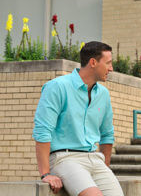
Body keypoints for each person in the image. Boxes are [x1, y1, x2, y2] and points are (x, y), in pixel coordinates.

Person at [33, 41, 124, 196]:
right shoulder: (57, 87)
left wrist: (105, 166)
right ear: (93, 62)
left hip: (95, 159)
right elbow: (43, 130)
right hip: (64, 158)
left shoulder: (103, 94)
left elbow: (107, 134)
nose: (111, 68)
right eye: (108, 63)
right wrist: (46, 173)